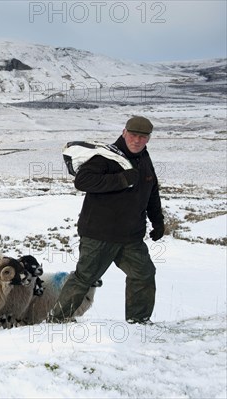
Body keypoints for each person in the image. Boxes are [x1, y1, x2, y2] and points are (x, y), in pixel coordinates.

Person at [48, 116, 165, 324]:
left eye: (142, 137)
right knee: (84, 278)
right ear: (124, 132)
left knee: (144, 274)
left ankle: (139, 322)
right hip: (99, 234)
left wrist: (158, 221)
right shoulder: (106, 156)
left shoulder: (145, 160)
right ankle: (57, 321)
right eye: (133, 135)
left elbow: (151, 192)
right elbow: (82, 181)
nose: (137, 140)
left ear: (148, 139)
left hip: (131, 237)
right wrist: (121, 179)